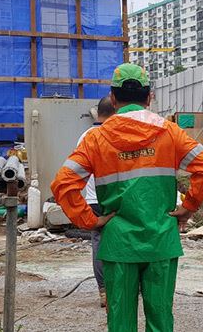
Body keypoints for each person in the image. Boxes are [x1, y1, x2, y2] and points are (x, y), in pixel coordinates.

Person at [51, 63, 203, 332]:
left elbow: (63, 183)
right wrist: (188, 207)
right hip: (161, 240)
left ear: (113, 98)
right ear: (150, 97)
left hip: (118, 242)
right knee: (160, 320)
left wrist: (90, 220)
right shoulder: (170, 132)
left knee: (120, 322)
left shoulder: (96, 138)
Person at [76, 95, 115, 307]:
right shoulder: (112, 134)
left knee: (99, 244)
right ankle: (124, 288)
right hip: (112, 197)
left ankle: (104, 292)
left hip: (92, 198)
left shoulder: (85, 136)